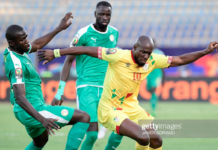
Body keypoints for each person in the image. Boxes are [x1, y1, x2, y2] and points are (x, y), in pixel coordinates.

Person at [38, 35, 218, 150]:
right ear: (134, 48)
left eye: (148, 53)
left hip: (132, 108)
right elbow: (86, 49)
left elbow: (179, 59)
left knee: (156, 142)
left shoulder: (152, 60)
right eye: (143, 53)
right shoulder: (118, 55)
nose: (146, 57)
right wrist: (56, 52)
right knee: (142, 136)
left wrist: (205, 51)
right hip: (109, 109)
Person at [4, 13, 90, 150]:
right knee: (84, 117)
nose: (27, 42)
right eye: (23, 40)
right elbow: (20, 97)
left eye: (26, 38)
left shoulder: (19, 50)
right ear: (12, 43)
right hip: (32, 110)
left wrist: (59, 28)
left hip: (27, 110)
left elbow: (37, 44)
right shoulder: (15, 63)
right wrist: (41, 118)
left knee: (40, 141)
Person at [52, 1, 122, 150]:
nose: (104, 17)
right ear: (95, 14)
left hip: (107, 88)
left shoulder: (114, 33)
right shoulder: (83, 33)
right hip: (87, 87)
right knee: (91, 135)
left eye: (108, 14)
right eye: (101, 14)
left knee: (121, 126)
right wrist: (59, 91)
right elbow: (68, 60)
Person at [146, 39, 165, 117]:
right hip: (149, 76)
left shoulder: (159, 53)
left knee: (153, 90)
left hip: (157, 75)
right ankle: (153, 105)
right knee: (150, 90)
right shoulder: (146, 53)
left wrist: (164, 77)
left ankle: (154, 110)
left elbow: (164, 65)